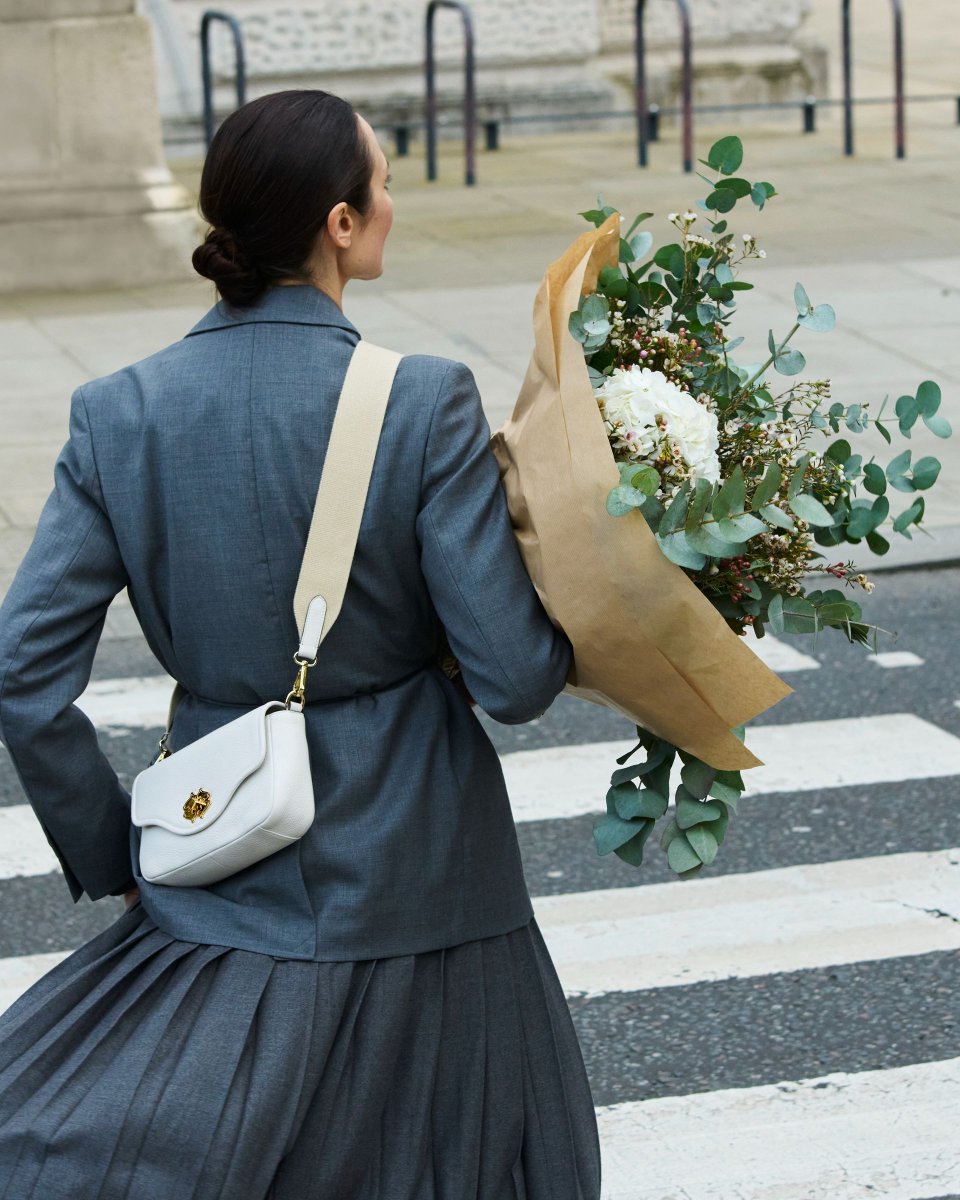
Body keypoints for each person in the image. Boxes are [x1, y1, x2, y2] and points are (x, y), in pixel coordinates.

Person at [0, 90, 601, 1198]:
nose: (391, 201)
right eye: (380, 180)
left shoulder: (119, 412)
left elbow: (22, 678)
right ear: (337, 222)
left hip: (222, 852)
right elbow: (516, 680)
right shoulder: (422, 403)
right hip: (429, 878)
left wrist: (115, 856)